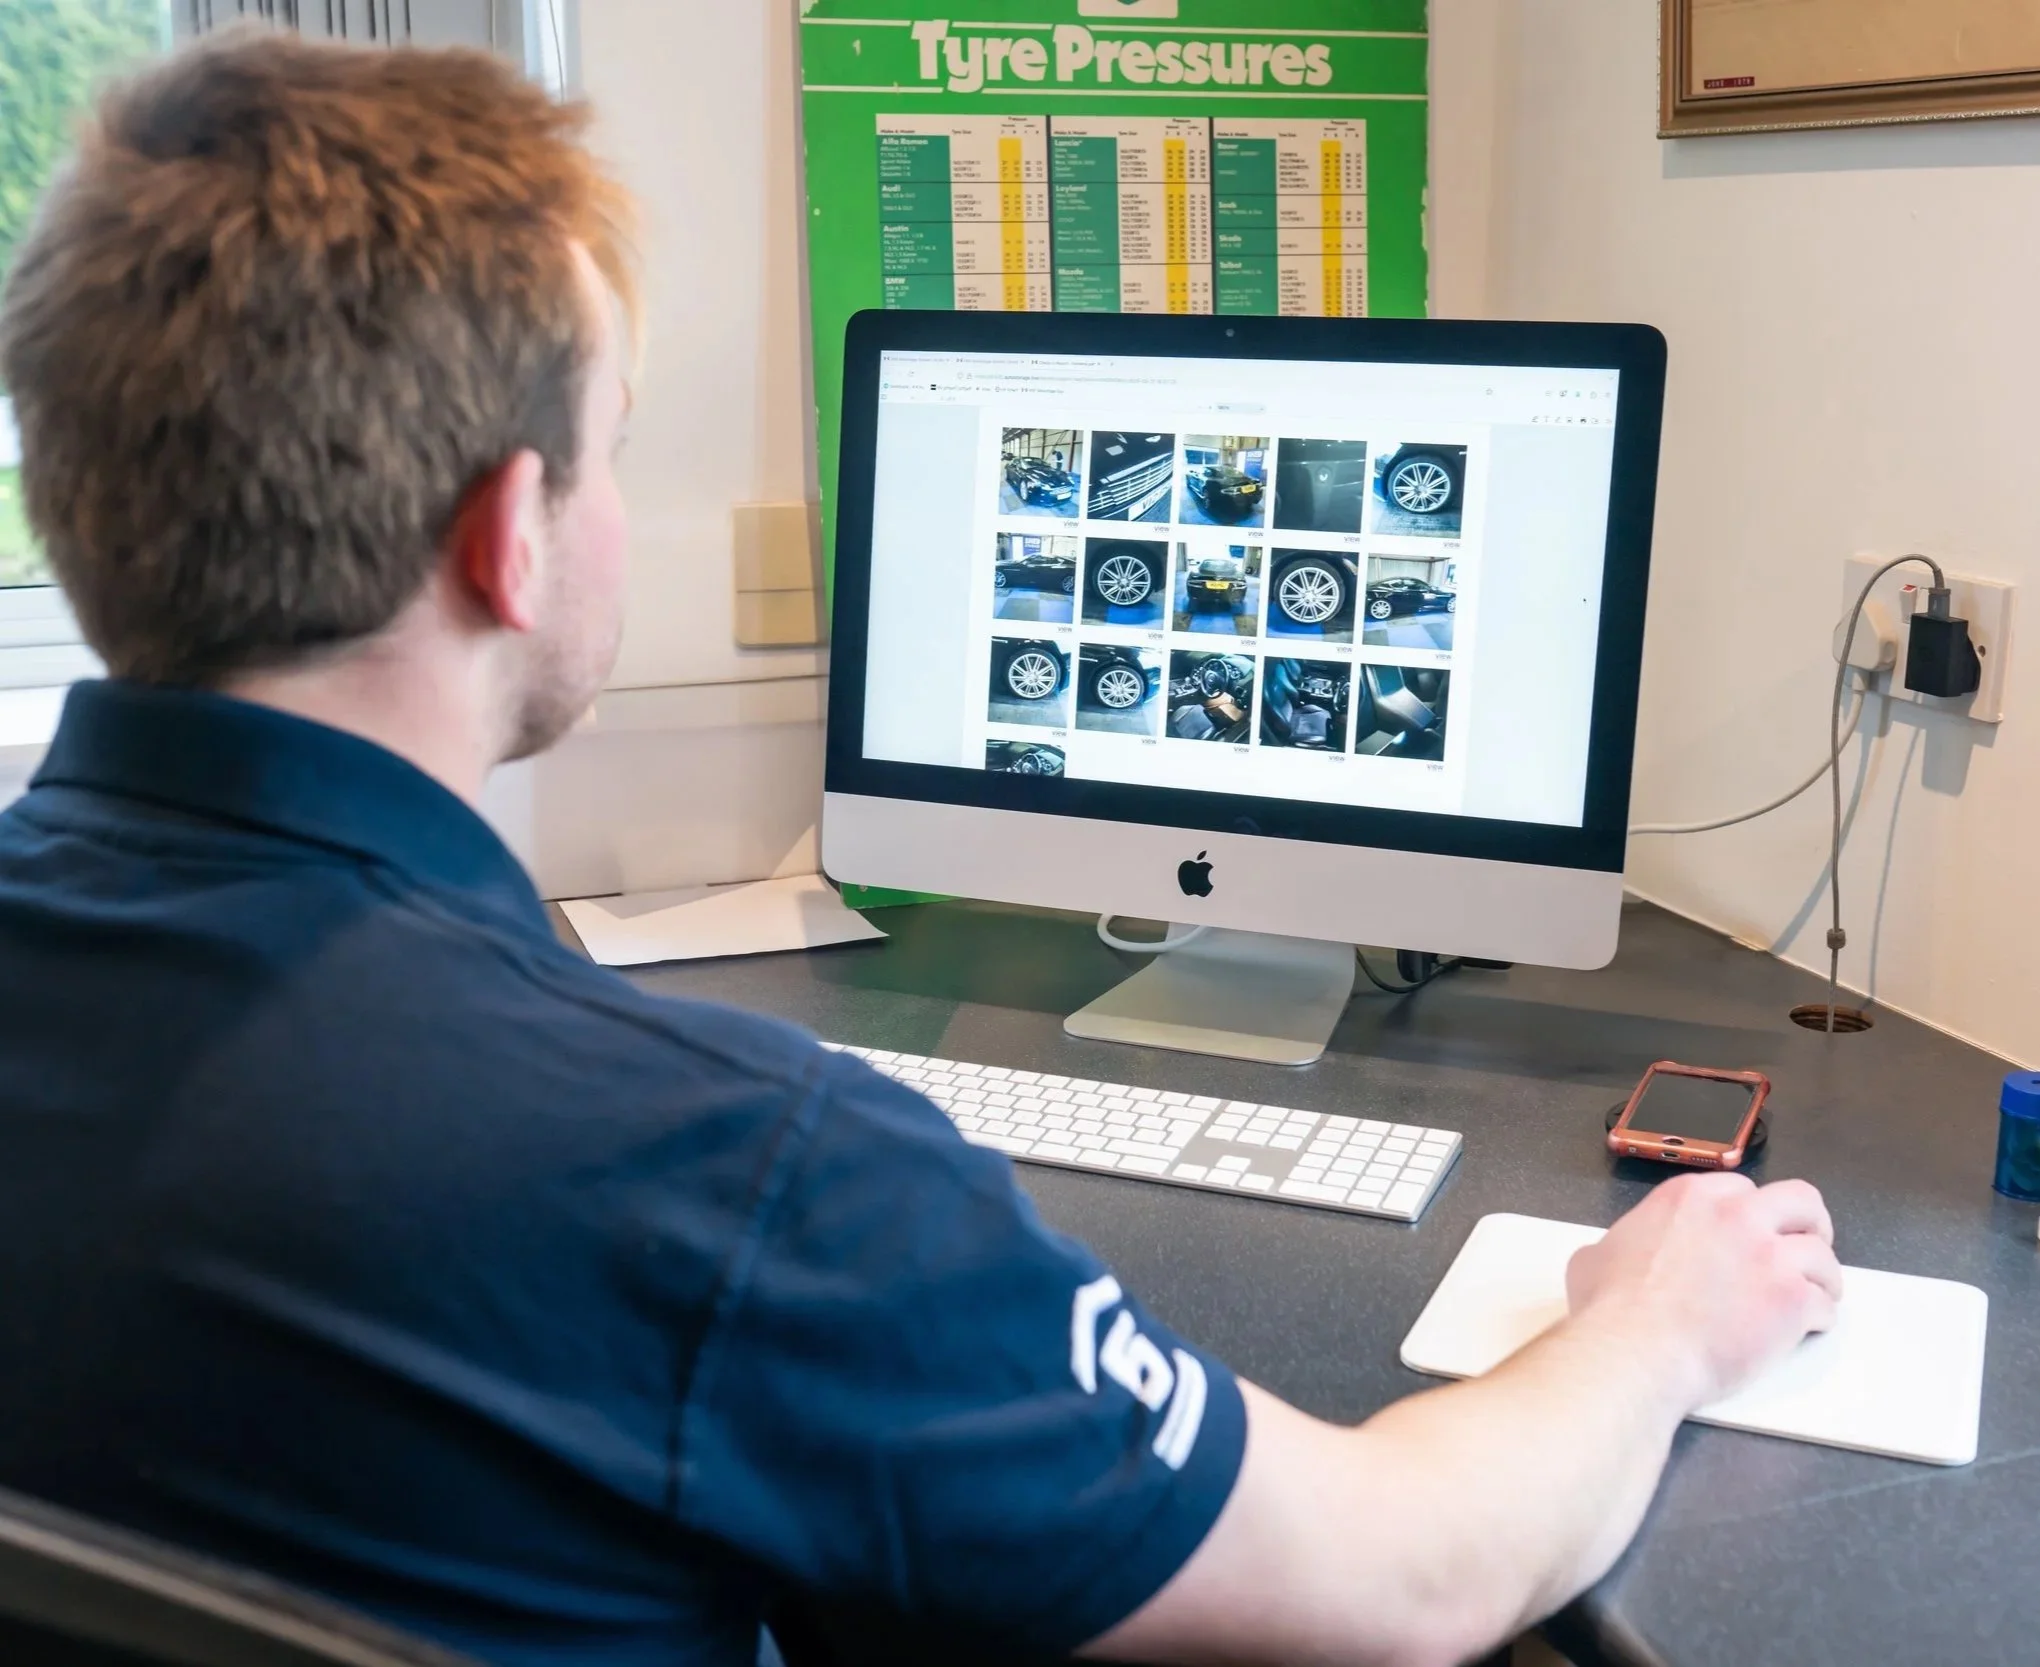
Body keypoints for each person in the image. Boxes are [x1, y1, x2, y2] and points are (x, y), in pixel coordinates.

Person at [0, 30, 1843, 1667]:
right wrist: (1662, 1327)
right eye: (612, 450)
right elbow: (1411, 1576)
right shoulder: (734, 1169)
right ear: (511, 538)